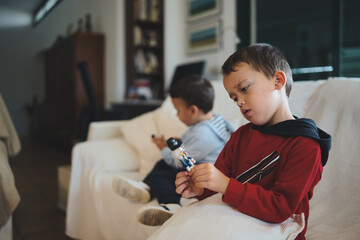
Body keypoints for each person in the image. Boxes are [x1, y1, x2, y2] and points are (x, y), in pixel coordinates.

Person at [175, 43, 331, 240]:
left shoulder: (306, 145)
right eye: (234, 98)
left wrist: (225, 185)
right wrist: (201, 188)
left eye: (244, 89)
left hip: (277, 229)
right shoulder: (241, 135)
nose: (239, 102)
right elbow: (220, 183)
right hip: (234, 218)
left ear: (278, 80)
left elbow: (279, 208)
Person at [112, 75, 234, 226]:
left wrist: (164, 148)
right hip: (201, 164)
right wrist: (181, 143)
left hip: (203, 176)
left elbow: (178, 160)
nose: (176, 115)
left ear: (193, 110)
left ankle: (171, 205)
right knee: (162, 164)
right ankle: (145, 187)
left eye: (177, 111)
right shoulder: (216, 120)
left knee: (163, 173)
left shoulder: (202, 134)